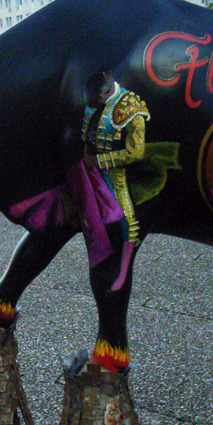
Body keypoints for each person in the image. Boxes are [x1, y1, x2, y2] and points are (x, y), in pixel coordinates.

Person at [81, 71, 150, 291]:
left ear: (110, 83)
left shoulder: (130, 105)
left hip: (113, 173)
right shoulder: (92, 98)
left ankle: (122, 273)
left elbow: (136, 152)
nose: (98, 100)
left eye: (101, 95)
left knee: (128, 222)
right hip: (86, 170)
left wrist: (100, 161)